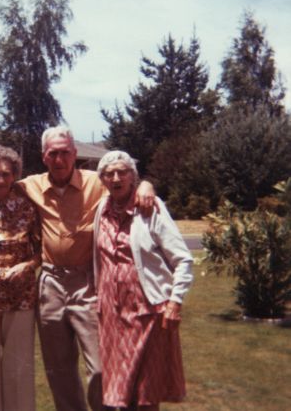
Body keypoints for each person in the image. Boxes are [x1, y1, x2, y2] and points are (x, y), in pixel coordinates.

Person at [17, 126, 156, 411]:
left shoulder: (97, 182)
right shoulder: (30, 186)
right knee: (59, 370)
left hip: (88, 283)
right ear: (44, 157)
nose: (59, 159)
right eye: (53, 153)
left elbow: (126, 179)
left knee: (100, 369)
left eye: (65, 152)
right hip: (50, 285)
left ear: (75, 154)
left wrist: (146, 185)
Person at [93, 150, 193, 411]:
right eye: (109, 173)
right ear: (102, 180)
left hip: (147, 314)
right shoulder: (100, 211)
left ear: (133, 177)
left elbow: (183, 259)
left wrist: (175, 302)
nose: (116, 178)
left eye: (122, 172)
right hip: (112, 317)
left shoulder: (151, 208)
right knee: (118, 392)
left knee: (146, 393)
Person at [0, 145, 41, 411]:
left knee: (19, 369)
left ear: (14, 176)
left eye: (5, 174)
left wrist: (26, 266)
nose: (0, 179)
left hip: (21, 297)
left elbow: (42, 251)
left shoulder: (28, 209)